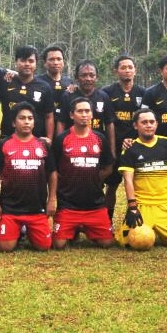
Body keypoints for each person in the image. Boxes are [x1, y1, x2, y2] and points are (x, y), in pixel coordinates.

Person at [0, 102, 57, 252]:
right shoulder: (3, 144)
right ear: (13, 122)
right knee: (4, 247)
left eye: (30, 118)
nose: (27, 121)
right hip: (11, 208)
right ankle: (17, 230)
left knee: (44, 247)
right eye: (22, 118)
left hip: (36, 208)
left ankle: (26, 230)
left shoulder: (43, 145)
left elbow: (52, 173)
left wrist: (52, 199)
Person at [50, 97, 115, 249]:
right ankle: (74, 227)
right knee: (58, 245)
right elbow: (54, 169)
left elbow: (108, 167)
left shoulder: (100, 138)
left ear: (92, 114)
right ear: (72, 115)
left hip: (94, 204)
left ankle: (85, 227)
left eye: (87, 111)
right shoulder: (62, 139)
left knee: (107, 243)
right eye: (80, 111)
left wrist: (94, 178)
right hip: (68, 204)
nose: (84, 115)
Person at [118, 108, 167, 246]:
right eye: (144, 122)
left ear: (156, 124)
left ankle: (158, 228)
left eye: (151, 122)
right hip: (142, 206)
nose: (148, 125)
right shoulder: (130, 148)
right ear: (136, 125)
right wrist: (132, 206)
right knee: (126, 242)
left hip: (164, 205)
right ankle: (147, 228)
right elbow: (128, 179)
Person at [103, 55, 142, 217]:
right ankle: (107, 222)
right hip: (114, 148)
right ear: (116, 71)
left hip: (136, 148)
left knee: (138, 187)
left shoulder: (143, 93)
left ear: (135, 70)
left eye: (130, 67)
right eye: (123, 67)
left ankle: (136, 220)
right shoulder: (106, 92)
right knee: (111, 187)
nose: (127, 70)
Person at [56, 61, 114, 152]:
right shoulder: (68, 96)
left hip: (96, 145)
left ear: (97, 77)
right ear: (77, 77)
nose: (88, 78)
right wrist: (59, 148)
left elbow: (109, 124)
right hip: (72, 145)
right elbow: (61, 122)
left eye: (92, 75)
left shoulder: (103, 97)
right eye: (84, 75)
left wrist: (112, 151)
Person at [0, 45, 55, 139]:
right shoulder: (6, 82)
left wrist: (49, 139)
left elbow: (49, 116)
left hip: (36, 141)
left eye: (31, 61)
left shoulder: (44, 87)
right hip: (8, 139)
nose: (27, 64)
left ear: (36, 63)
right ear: (16, 62)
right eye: (23, 60)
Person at [38, 44, 73, 123]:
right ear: (45, 63)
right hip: (43, 126)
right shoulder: (38, 81)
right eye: (51, 59)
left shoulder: (70, 82)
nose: (56, 62)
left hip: (64, 125)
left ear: (63, 62)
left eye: (59, 59)